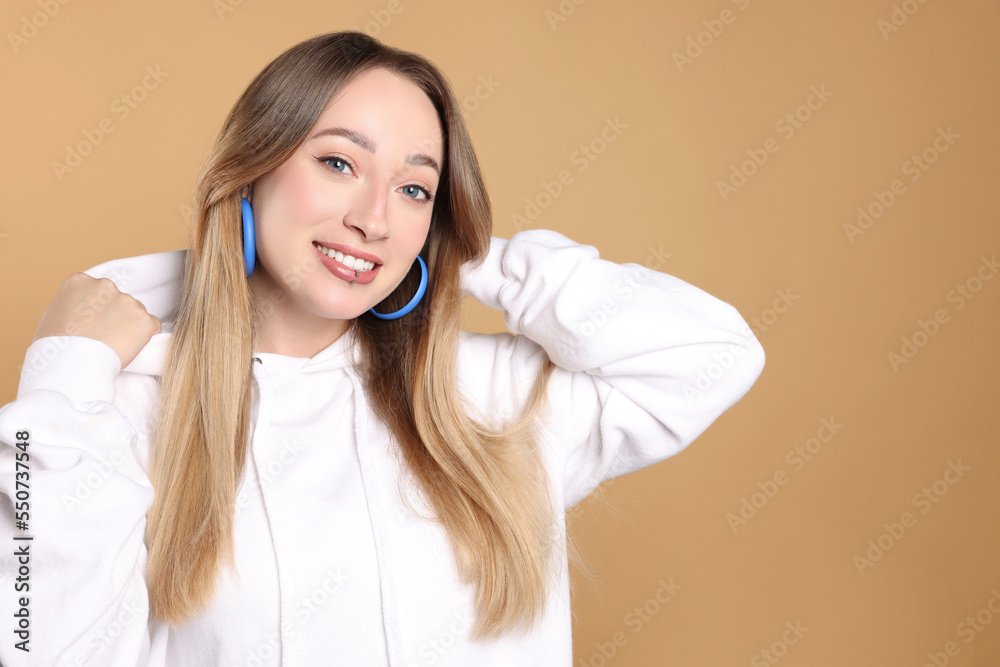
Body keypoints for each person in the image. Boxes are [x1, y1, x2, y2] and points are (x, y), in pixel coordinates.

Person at [0, 31, 765, 666]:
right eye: (338, 163)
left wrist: (466, 254)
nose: (374, 218)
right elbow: (36, 642)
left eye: (414, 189)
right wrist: (65, 375)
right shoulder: (126, 410)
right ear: (251, 171)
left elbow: (713, 353)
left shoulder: (489, 401)